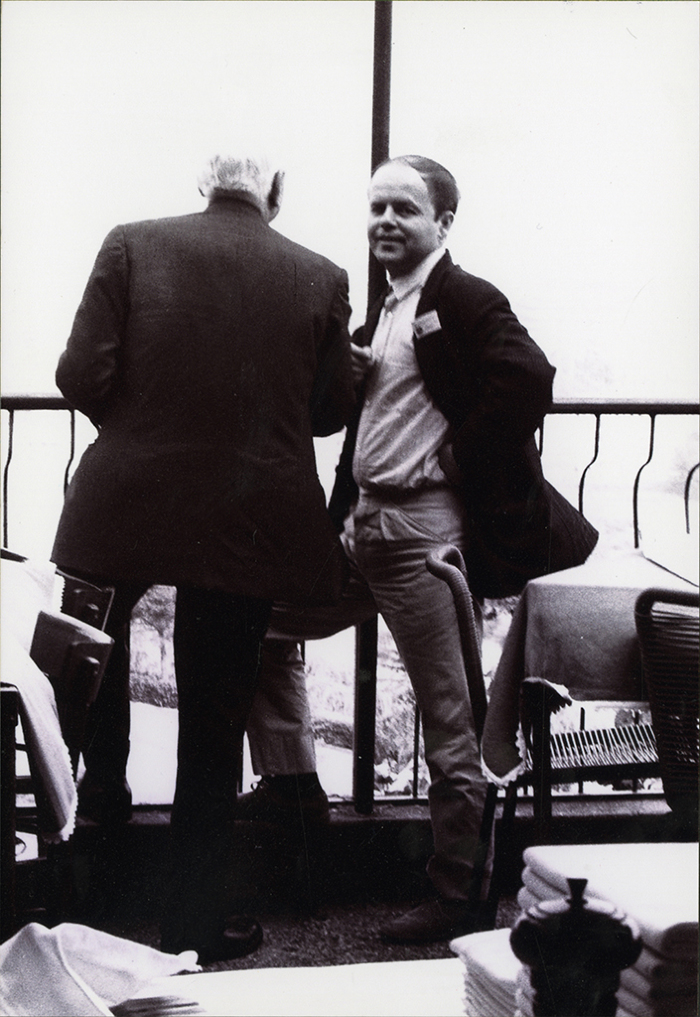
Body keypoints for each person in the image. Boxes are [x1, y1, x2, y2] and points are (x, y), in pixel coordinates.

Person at [240, 154, 599, 943]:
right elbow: (339, 420)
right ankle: (295, 784)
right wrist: (349, 367)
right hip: (362, 528)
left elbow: (527, 377)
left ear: (443, 222)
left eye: (405, 208)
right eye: (376, 209)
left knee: (451, 719)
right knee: (258, 625)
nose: (386, 223)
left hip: (421, 538)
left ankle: (460, 892)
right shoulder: (390, 310)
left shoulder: (463, 297)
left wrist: (456, 458)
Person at [50, 149, 355, 962]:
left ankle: (94, 866)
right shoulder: (321, 277)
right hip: (248, 518)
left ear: (204, 185)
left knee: (91, 673)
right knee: (214, 721)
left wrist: (147, 428)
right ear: (275, 195)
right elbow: (328, 411)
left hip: (124, 506)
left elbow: (80, 371)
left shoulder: (132, 242)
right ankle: (193, 921)